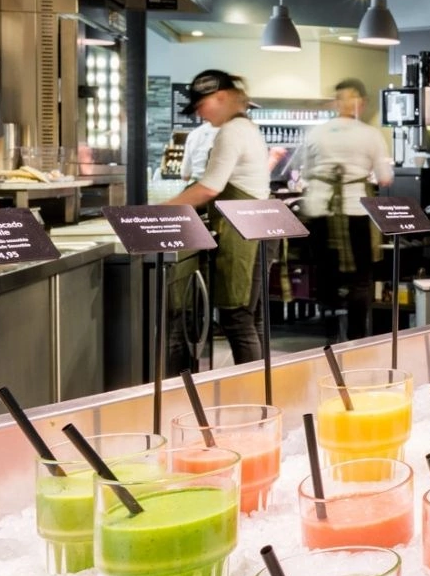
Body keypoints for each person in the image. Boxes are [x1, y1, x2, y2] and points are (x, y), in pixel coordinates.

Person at [167, 69, 272, 365]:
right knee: (247, 319)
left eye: (202, 105)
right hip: (254, 228)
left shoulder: (231, 132)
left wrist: (159, 211)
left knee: (237, 318)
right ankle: (257, 384)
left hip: (242, 233)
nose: (200, 114)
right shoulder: (245, 128)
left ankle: (251, 386)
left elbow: (208, 188)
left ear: (222, 97)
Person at [296, 78, 395, 340]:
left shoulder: (316, 133)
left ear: (336, 102)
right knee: (360, 279)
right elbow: (385, 177)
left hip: (320, 210)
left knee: (326, 274)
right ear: (361, 103)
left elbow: (305, 172)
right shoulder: (370, 135)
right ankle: (356, 337)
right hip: (356, 211)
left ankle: (329, 334)